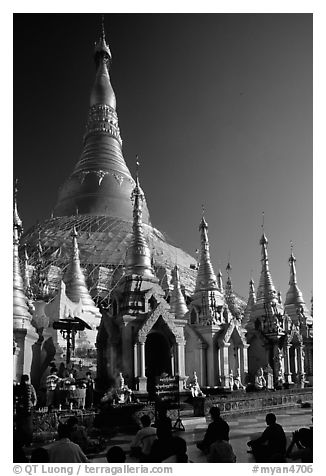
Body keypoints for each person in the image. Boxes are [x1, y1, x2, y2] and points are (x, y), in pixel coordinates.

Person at [16, 374, 37, 446]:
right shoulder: (30, 387)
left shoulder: (17, 387)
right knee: (29, 426)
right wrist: (32, 404)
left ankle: (20, 441)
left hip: (20, 410)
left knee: (20, 426)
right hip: (28, 409)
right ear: (28, 380)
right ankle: (28, 442)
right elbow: (34, 398)